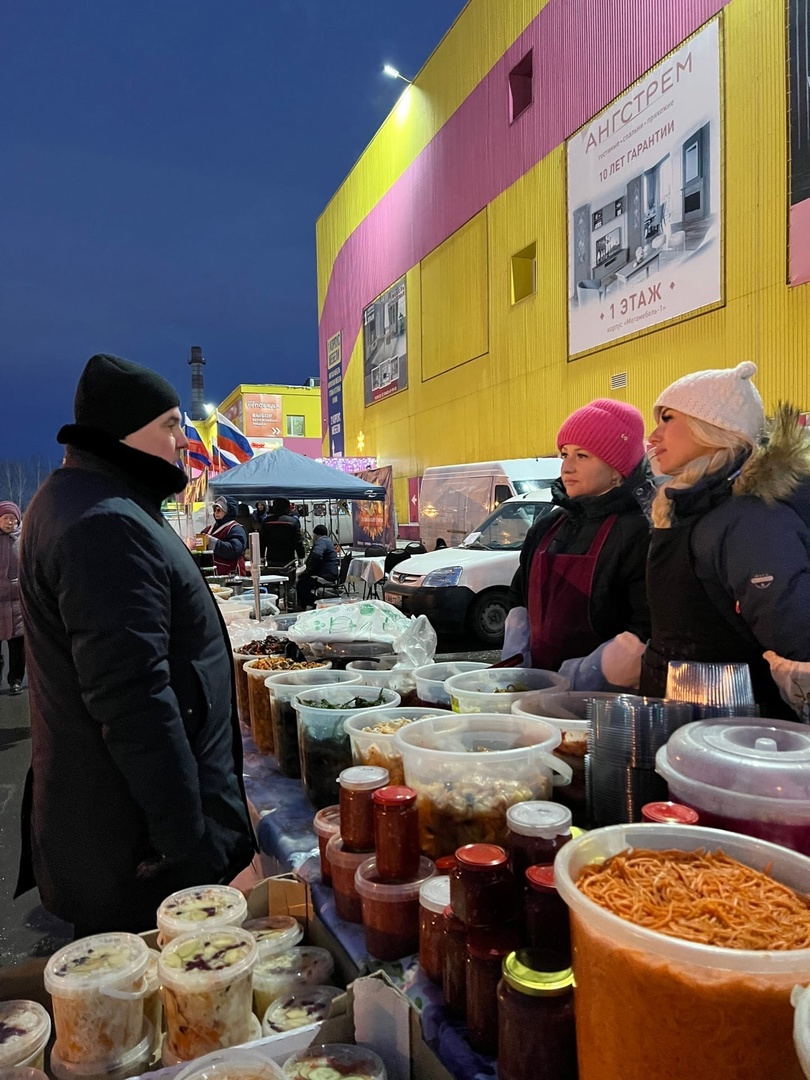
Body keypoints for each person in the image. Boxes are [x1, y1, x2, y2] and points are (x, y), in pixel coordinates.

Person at [17, 353, 255, 936]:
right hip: (132, 848)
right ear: (124, 430)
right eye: (170, 424)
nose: (182, 441)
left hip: (116, 833)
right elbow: (133, 699)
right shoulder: (104, 522)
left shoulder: (83, 500)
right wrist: (186, 844)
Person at [634, 361, 810, 718]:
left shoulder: (751, 519)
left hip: (738, 739)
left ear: (713, 427)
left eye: (667, 419)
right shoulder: (687, 510)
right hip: (686, 723)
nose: (652, 437)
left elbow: (797, 642)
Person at [505, 399, 652, 689]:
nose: (567, 467)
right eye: (564, 454)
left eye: (582, 456)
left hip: (605, 704)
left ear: (616, 469)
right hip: (535, 691)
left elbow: (648, 627)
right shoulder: (548, 526)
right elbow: (518, 596)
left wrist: (587, 674)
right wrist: (517, 654)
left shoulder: (640, 531)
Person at [0, 501, 24, 694]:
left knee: (18, 648)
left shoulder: (23, 539)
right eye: (6, 518)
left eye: (13, 519)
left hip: (18, 603)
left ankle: (15, 680)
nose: (10, 523)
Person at [202, 496, 248, 575]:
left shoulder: (236, 529)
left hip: (231, 577)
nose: (216, 512)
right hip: (211, 574)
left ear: (228, 511)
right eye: (215, 510)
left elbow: (235, 550)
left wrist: (211, 542)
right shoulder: (208, 529)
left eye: (219, 510)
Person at [297, 524, 339, 609]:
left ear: (316, 535)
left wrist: (309, 569)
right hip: (330, 573)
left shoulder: (321, 541)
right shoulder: (328, 541)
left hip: (326, 575)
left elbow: (317, 554)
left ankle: (309, 604)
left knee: (302, 583)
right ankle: (310, 602)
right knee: (304, 581)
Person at [260, 497, 305, 567]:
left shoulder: (266, 522)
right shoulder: (293, 522)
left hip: (272, 558)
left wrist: (261, 557)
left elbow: (262, 541)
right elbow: (298, 541)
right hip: (288, 559)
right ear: (287, 507)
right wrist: (301, 557)